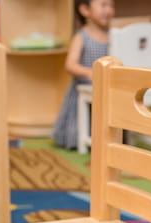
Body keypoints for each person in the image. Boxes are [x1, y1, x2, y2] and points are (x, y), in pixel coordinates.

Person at [52, 0, 114, 150]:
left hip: (107, 86)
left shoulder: (113, 36)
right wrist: (88, 72)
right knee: (81, 123)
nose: (109, 10)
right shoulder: (81, 36)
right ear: (85, 10)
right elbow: (70, 65)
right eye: (103, 5)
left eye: (111, 6)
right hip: (85, 87)